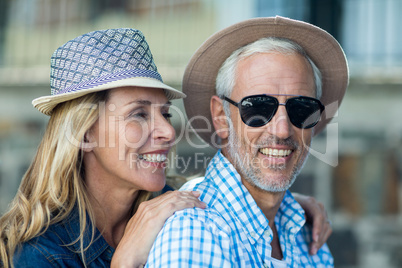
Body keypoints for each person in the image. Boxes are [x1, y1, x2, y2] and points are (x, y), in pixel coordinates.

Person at [0, 27, 330, 268]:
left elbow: (225, 195)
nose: (167, 132)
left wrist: (282, 202)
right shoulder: (40, 255)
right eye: (138, 114)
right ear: (85, 134)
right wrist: (124, 264)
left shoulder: (164, 205)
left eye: (164, 113)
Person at [146, 16, 348, 267]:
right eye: (259, 108)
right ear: (221, 117)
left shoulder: (306, 233)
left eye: (301, 108)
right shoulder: (195, 233)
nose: (283, 130)